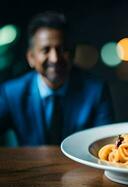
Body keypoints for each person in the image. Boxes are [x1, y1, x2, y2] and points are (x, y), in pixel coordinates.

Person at [0, 11, 114, 146]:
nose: (55, 58)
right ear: (31, 57)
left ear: (72, 54)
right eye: (45, 50)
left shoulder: (96, 91)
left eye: (62, 49)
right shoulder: (12, 92)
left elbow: (107, 145)